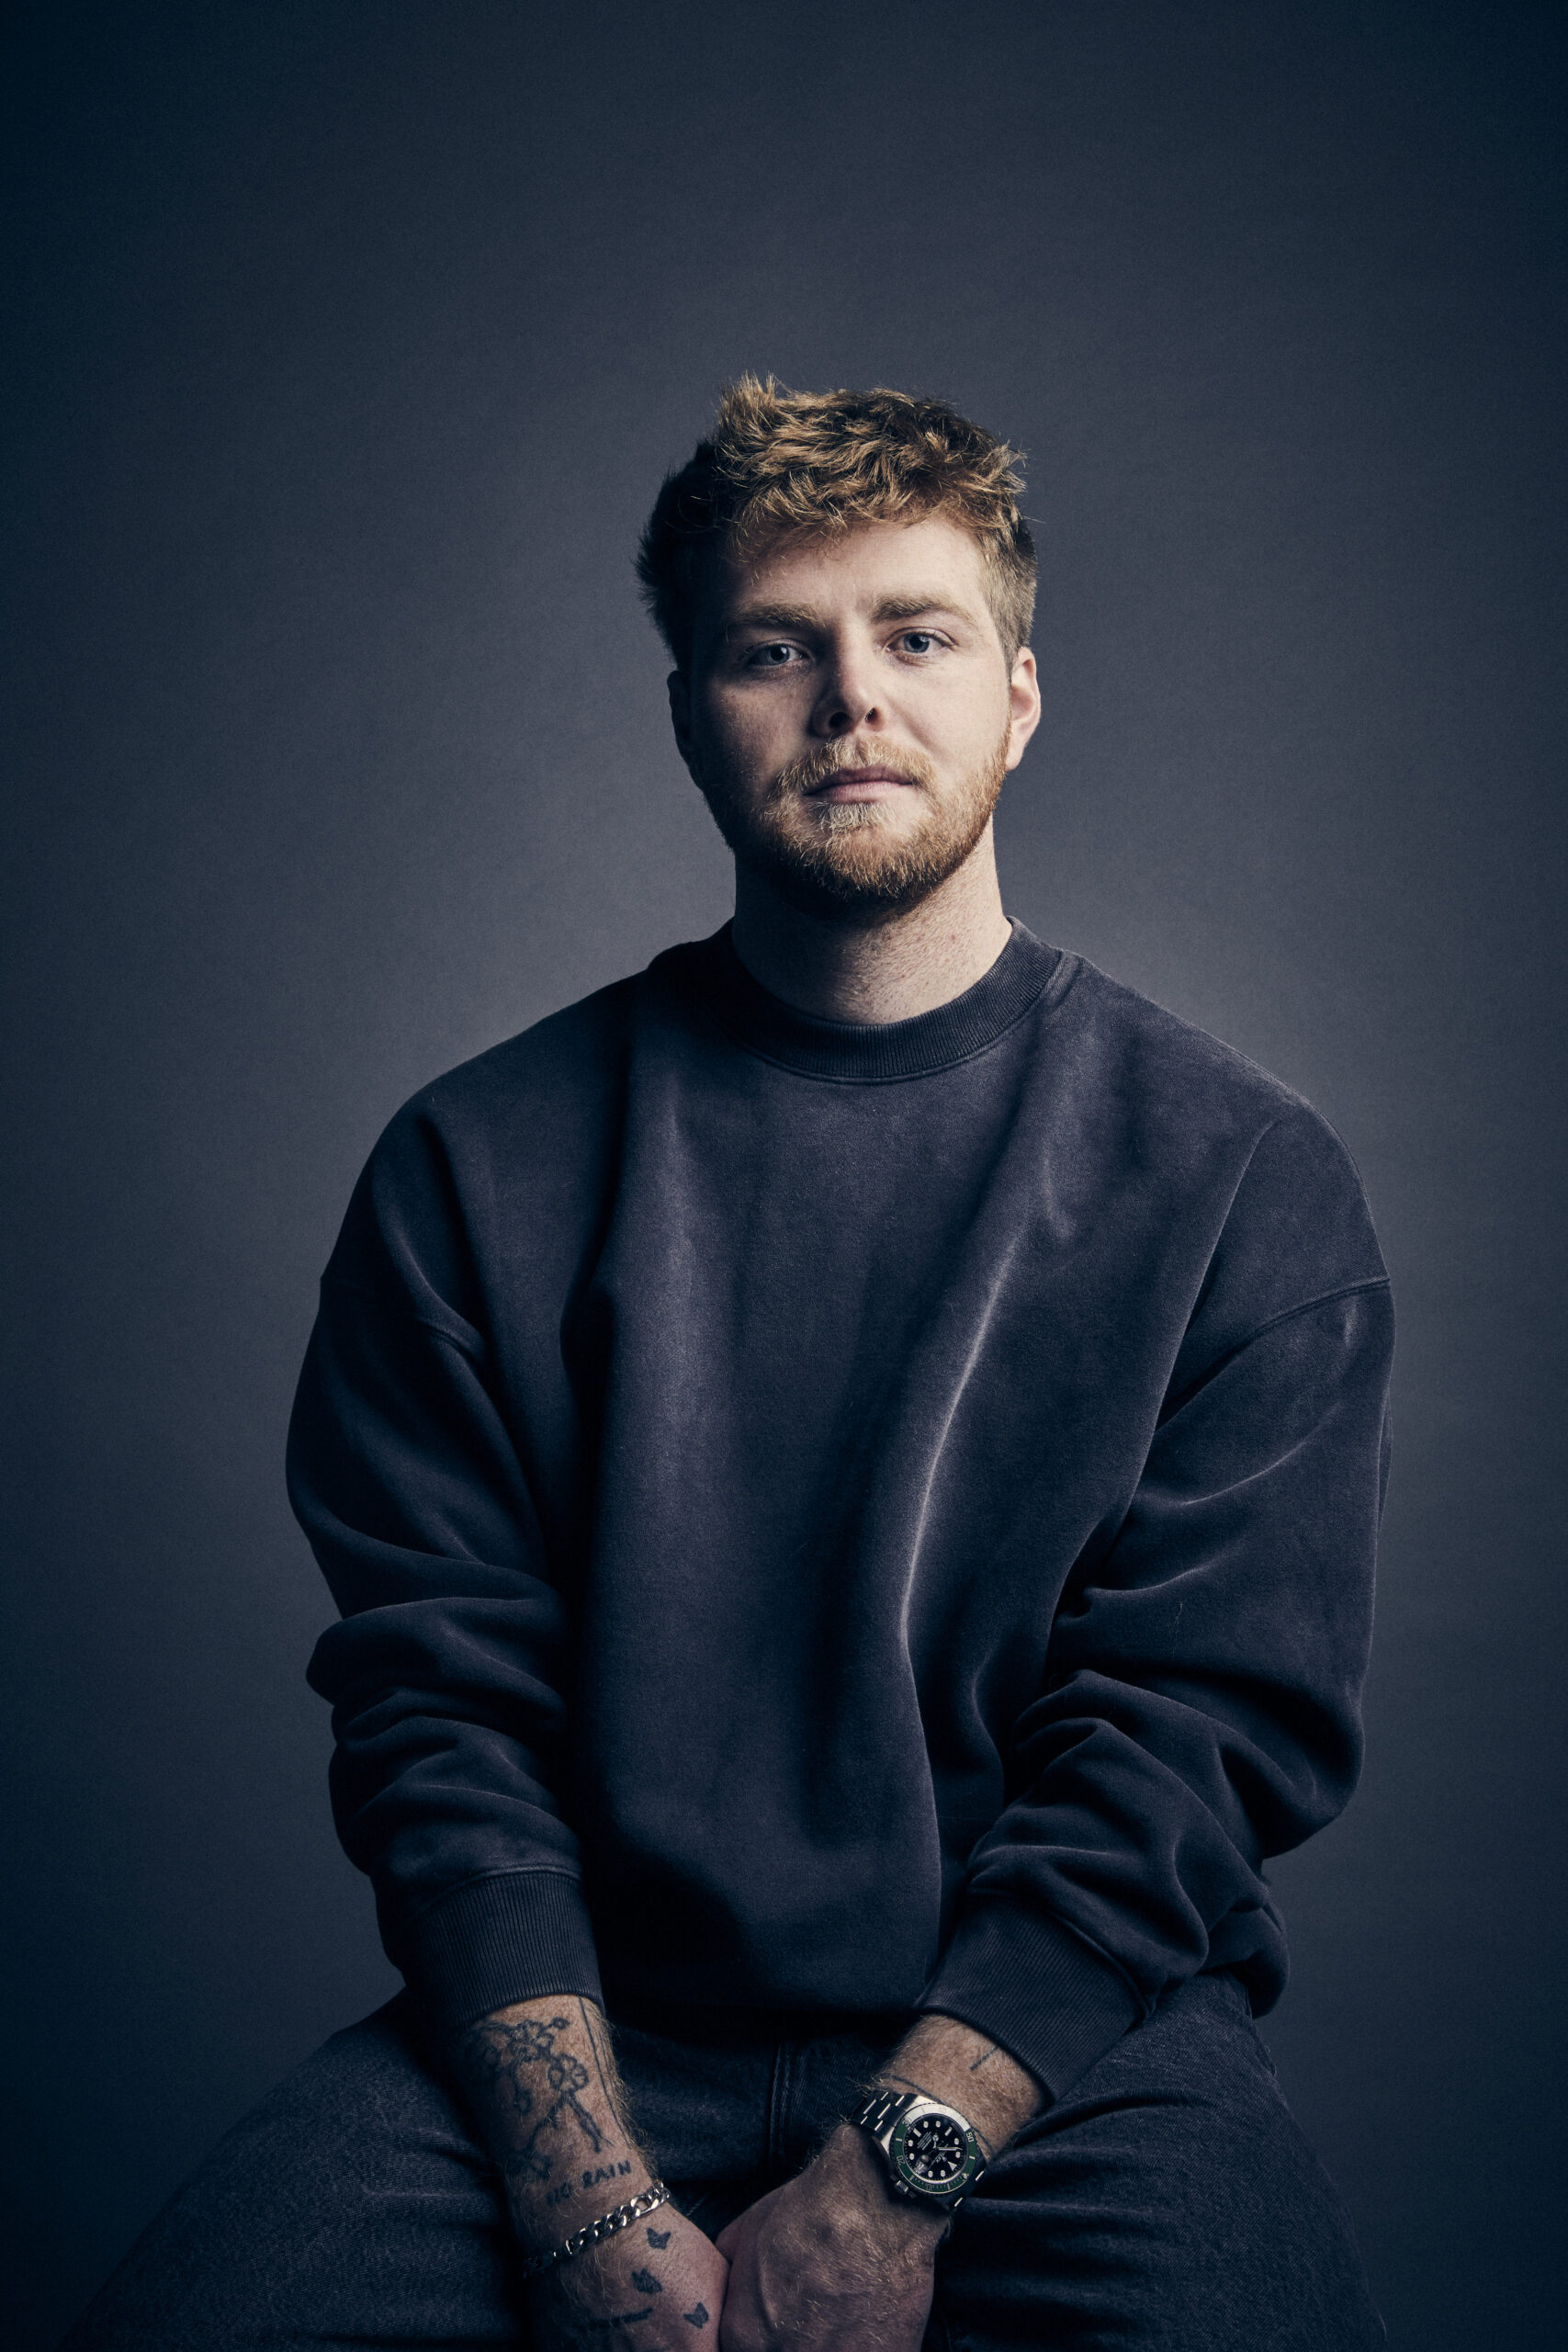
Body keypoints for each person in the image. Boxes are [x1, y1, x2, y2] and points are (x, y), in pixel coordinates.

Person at [62, 379, 1392, 2350]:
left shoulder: (1242, 1180)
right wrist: (587, 2197)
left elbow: (1182, 1754)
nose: (851, 698)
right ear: (690, 709)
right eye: (776, 649)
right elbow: (444, 1724)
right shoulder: (473, 1167)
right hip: (583, 2027)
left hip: (1061, 2056)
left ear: (1018, 698)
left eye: (916, 637)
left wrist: (889, 2179)